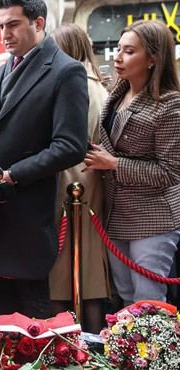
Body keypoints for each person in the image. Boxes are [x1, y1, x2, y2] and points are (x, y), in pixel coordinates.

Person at [0, 0, 88, 318]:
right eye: (1, 25)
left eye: (13, 25)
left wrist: (12, 175)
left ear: (38, 23)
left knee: (33, 325)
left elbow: (70, 146)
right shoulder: (3, 69)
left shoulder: (66, 71)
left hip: (28, 218)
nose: (4, 34)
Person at [83, 20, 180, 306]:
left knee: (148, 302)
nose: (118, 57)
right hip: (116, 214)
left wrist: (113, 163)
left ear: (153, 59)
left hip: (153, 218)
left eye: (129, 51)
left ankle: (155, 353)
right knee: (125, 297)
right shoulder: (117, 94)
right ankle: (126, 352)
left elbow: (170, 172)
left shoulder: (170, 105)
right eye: (118, 49)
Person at [48, 23, 110, 333]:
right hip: (91, 188)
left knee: (62, 277)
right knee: (89, 276)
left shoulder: (75, 84)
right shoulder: (99, 86)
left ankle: (69, 348)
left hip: (69, 187)